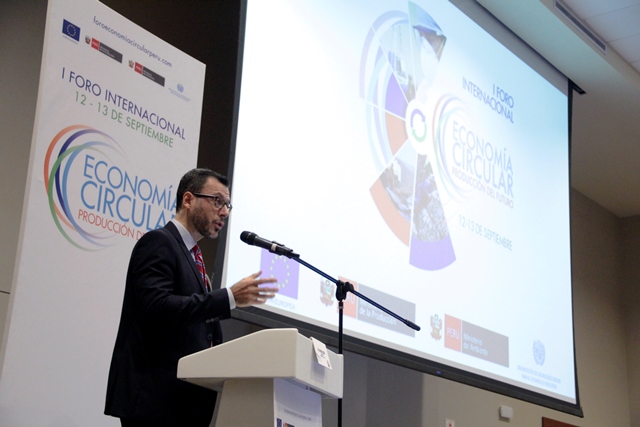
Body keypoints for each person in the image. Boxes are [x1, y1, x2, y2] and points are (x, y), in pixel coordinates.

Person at [104, 168, 278, 427]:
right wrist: (228, 297)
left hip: (185, 403)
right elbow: (158, 308)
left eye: (227, 205)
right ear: (188, 200)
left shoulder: (193, 256)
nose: (224, 212)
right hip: (154, 398)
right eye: (217, 201)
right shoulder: (158, 242)